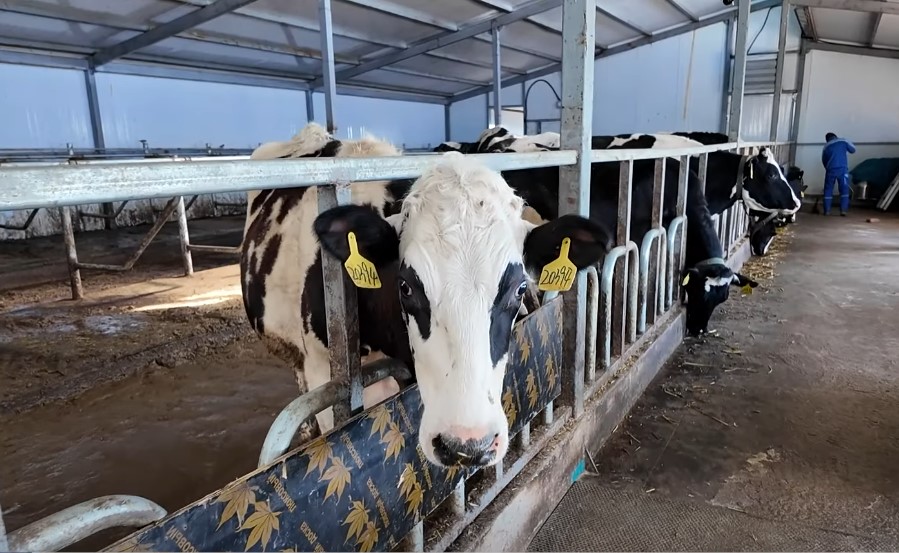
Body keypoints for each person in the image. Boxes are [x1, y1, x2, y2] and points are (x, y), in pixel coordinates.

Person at [821, 132, 856, 216]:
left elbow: (824, 161)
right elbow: (853, 150)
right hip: (842, 170)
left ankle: (827, 211)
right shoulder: (843, 141)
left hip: (830, 170)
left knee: (828, 190)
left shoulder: (826, 147)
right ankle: (843, 210)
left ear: (827, 140)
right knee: (844, 190)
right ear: (835, 136)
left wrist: (828, 168)